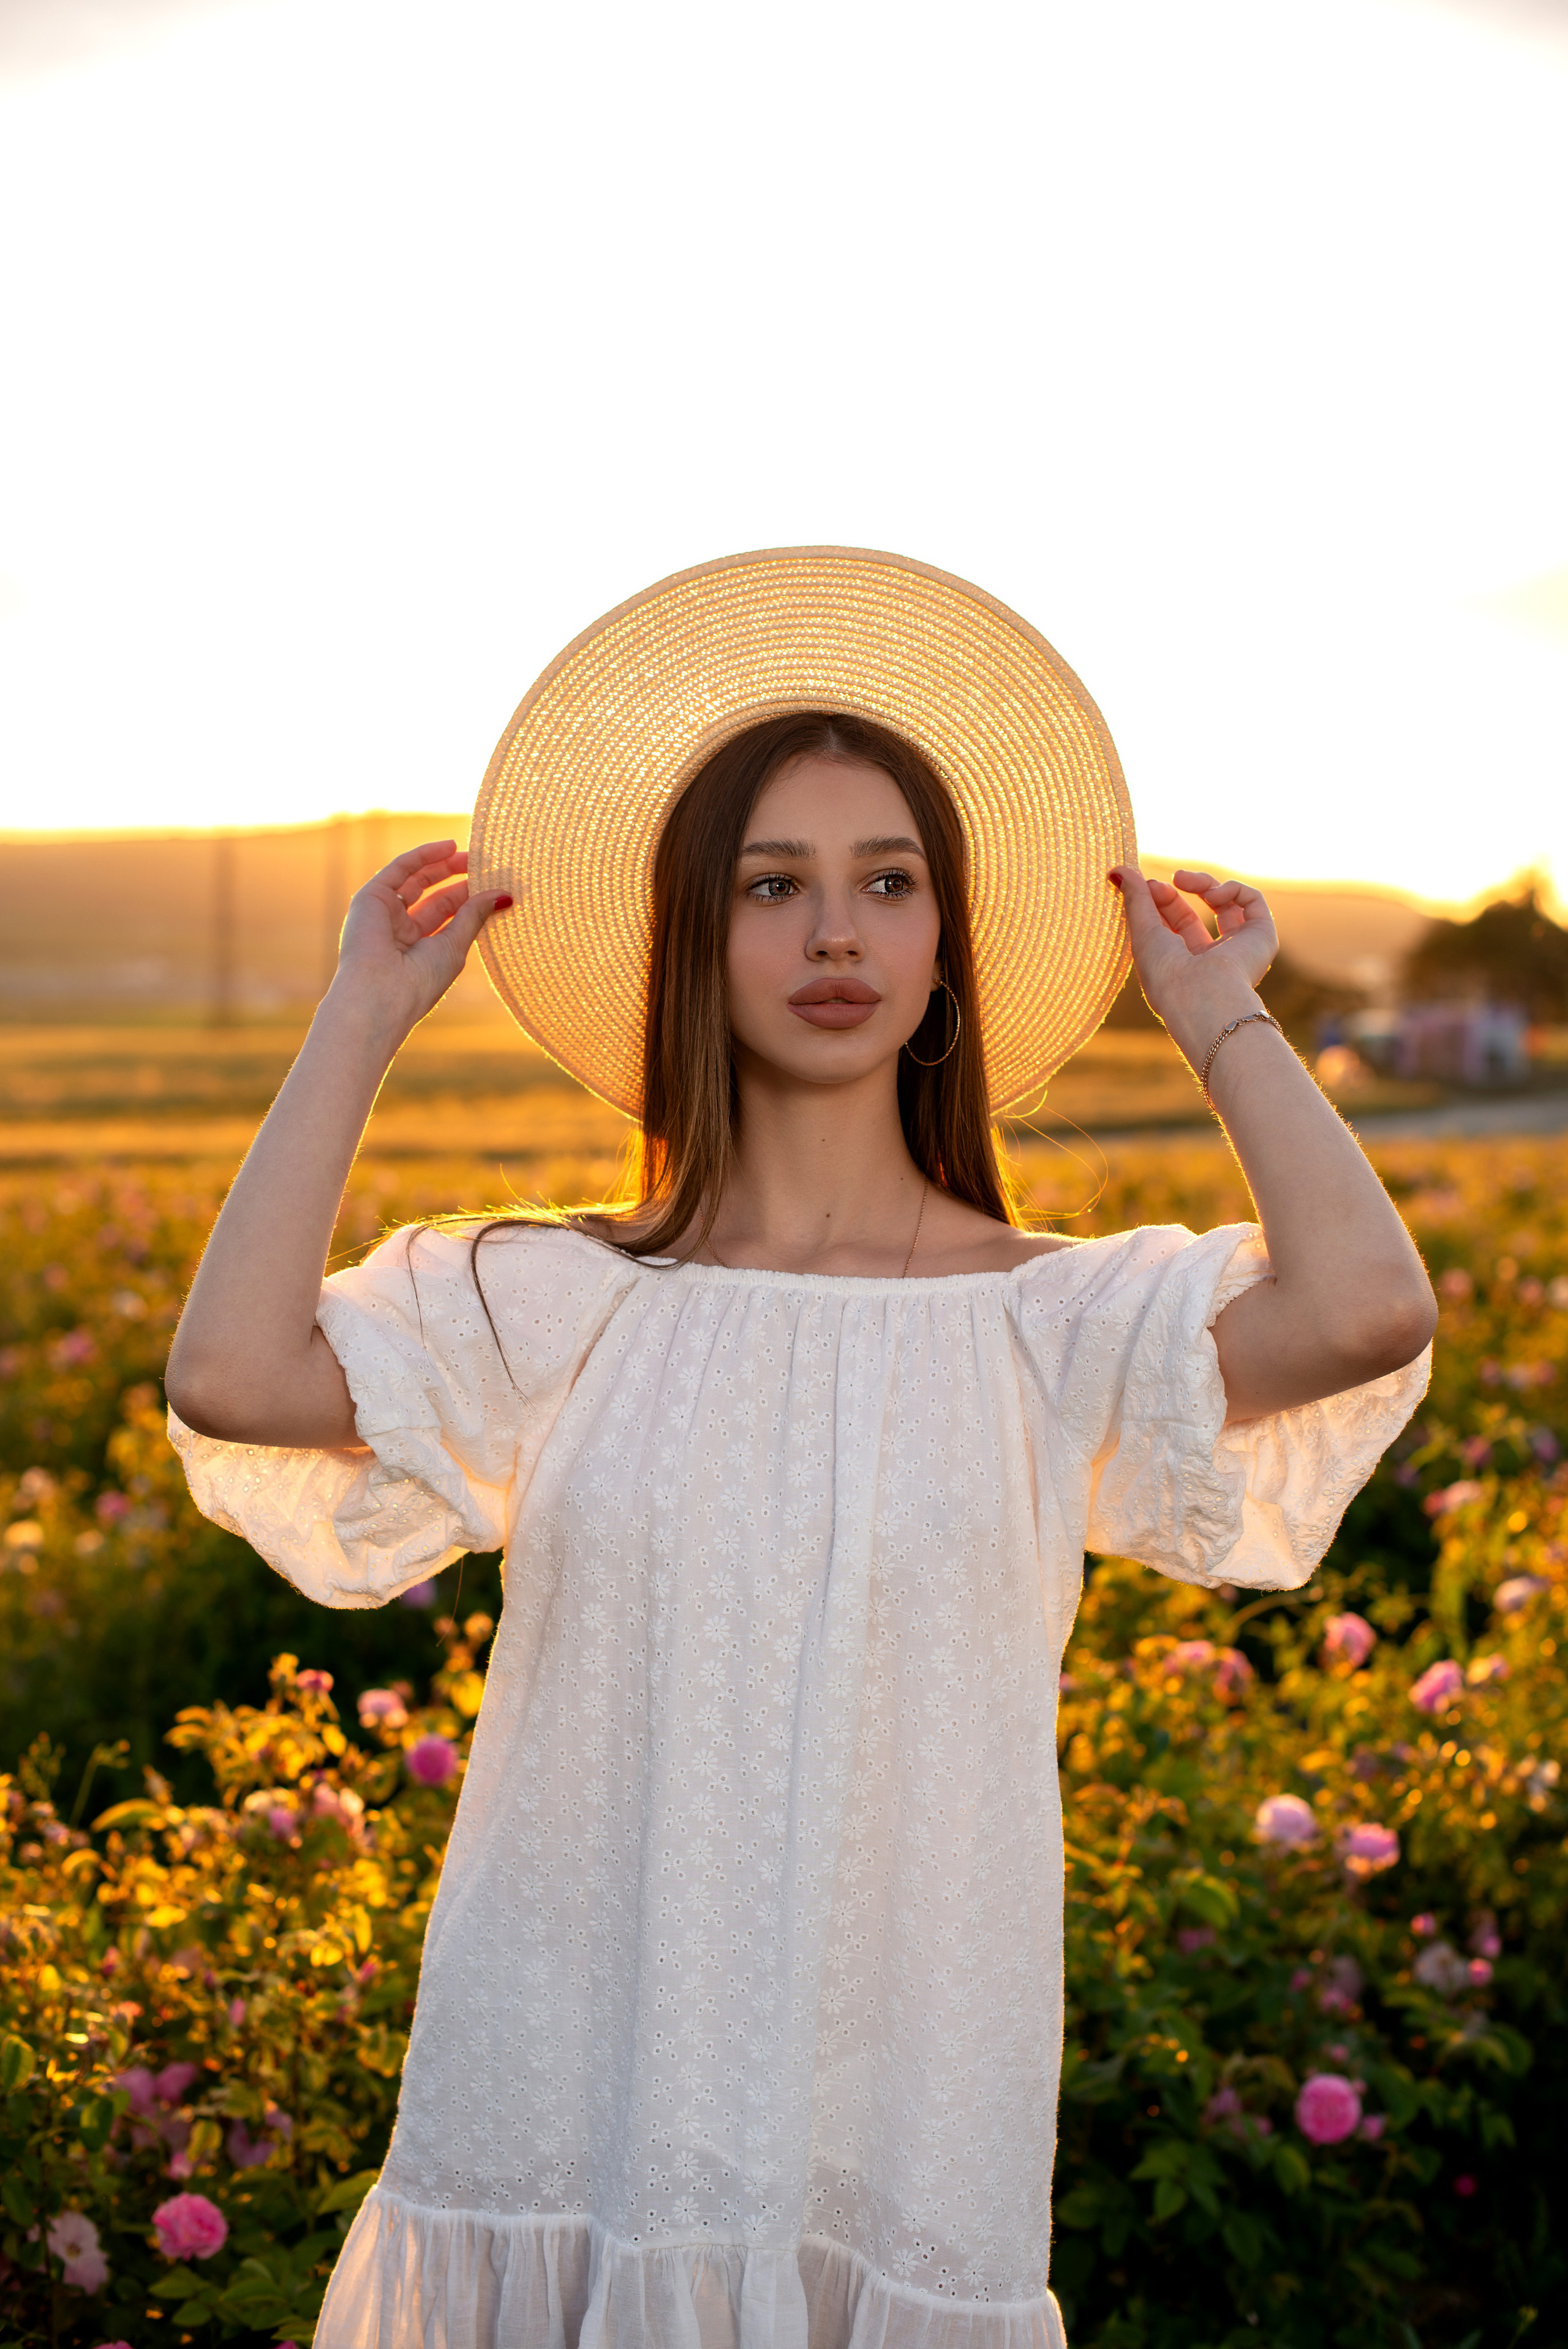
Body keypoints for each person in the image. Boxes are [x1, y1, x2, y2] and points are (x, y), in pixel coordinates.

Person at [164, 550, 1436, 2349]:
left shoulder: (1055, 1325)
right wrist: (360, 1012)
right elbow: (230, 1371)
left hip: (898, 2130)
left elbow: (1371, 1309)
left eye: (889, 884)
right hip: (570, 2103)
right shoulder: (558, 1302)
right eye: (774, 886)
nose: (837, 935)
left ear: (943, 944)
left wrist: (1211, 1008)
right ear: (697, 936)